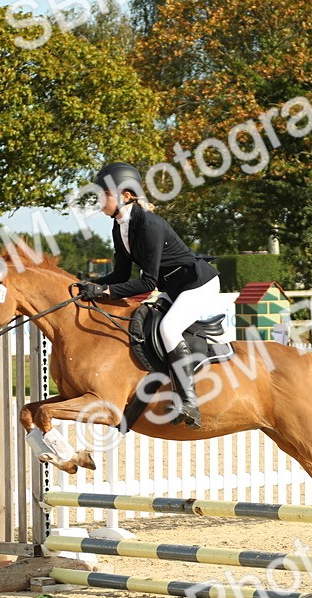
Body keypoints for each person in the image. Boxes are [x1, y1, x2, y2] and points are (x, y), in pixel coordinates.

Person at [76, 162, 221, 429]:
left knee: (168, 328)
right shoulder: (119, 227)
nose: (97, 198)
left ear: (126, 195)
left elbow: (147, 282)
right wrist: (89, 286)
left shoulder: (149, 224)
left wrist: (105, 291)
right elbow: (120, 275)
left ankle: (189, 401)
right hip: (175, 289)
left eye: (103, 192)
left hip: (198, 284)